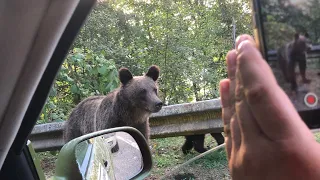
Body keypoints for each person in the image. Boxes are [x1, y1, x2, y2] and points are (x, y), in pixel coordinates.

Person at [219, 34, 320, 180]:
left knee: (301, 62)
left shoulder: (300, 49)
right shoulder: (287, 50)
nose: (308, 47)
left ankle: (298, 80)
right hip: (286, 56)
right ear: (297, 42)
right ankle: (290, 86)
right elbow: (288, 68)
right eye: (304, 45)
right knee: (288, 72)